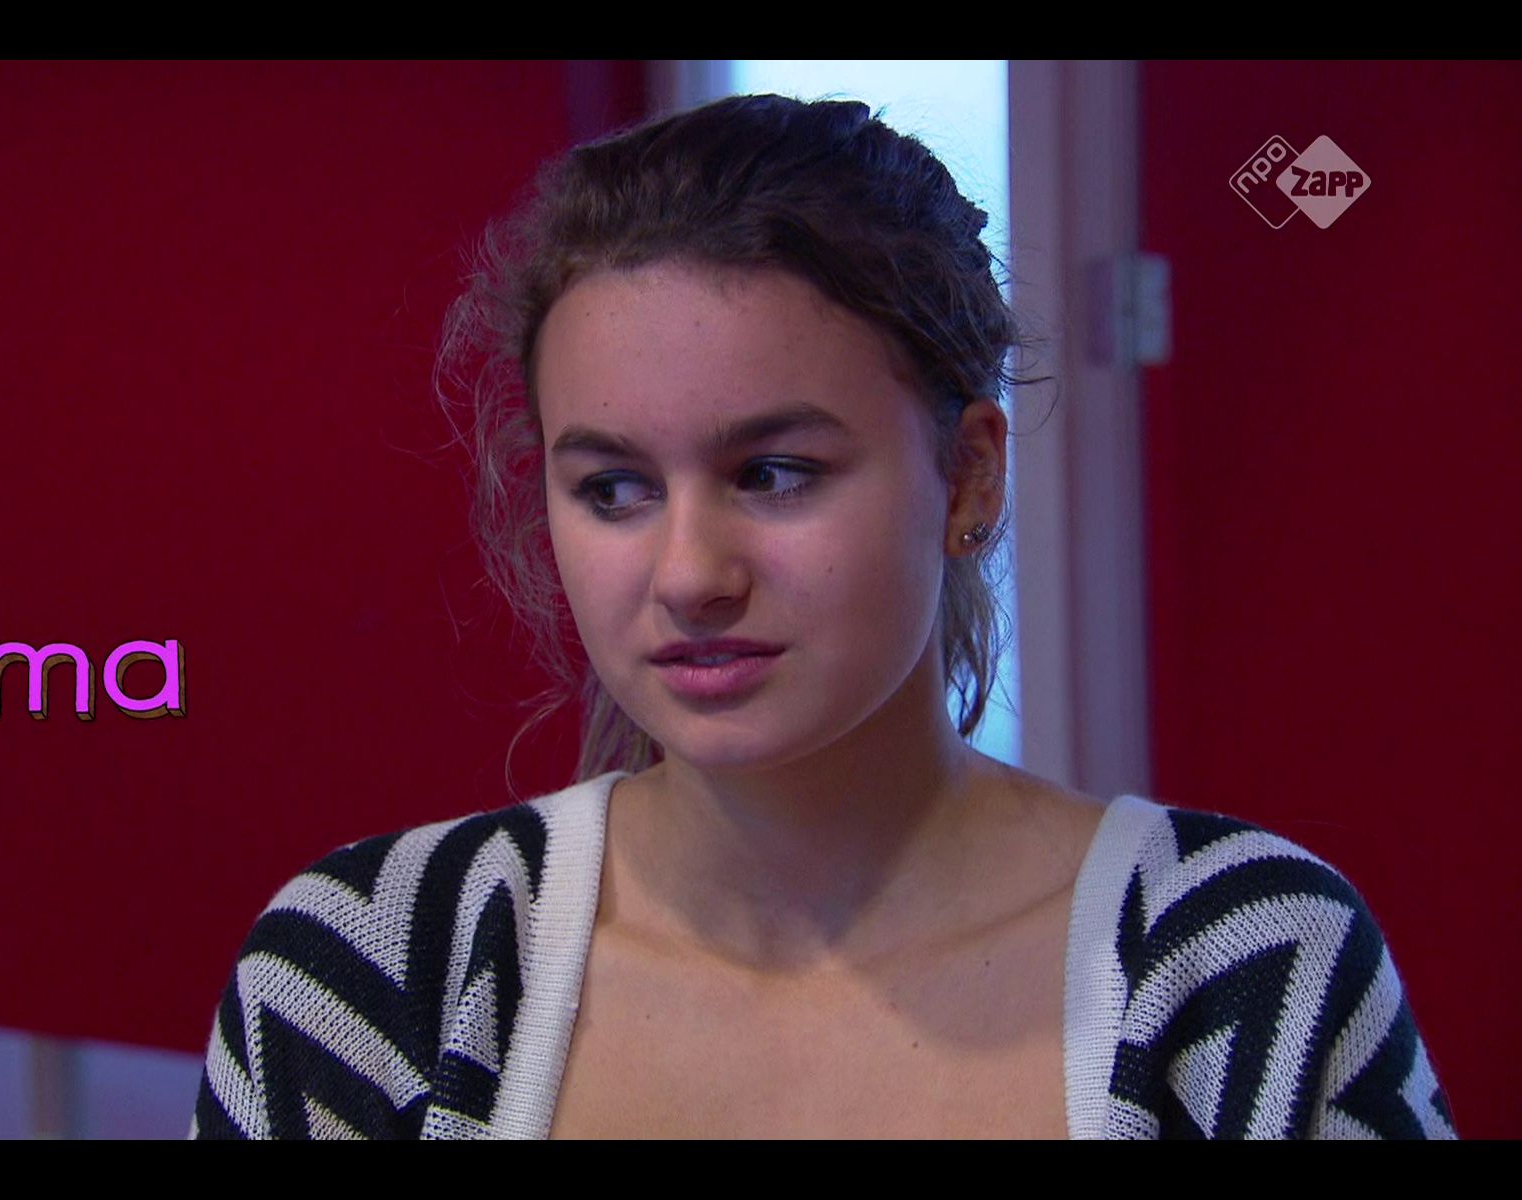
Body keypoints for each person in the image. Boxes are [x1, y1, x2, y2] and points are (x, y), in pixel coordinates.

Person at [189, 93, 1456, 1139]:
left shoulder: (1238, 969)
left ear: (970, 477)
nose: (690, 574)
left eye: (775, 473)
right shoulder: (367, 975)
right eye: (615, 488)